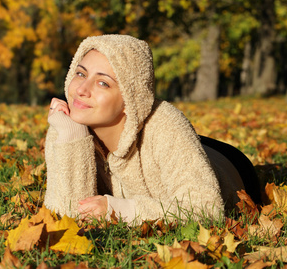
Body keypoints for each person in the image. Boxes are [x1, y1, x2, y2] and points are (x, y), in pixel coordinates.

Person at [44, 34, 259, 224]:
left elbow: (205, 210)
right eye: (81, 74)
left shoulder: (166, 125)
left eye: (103, 83)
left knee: (182, 150)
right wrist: (72, 138)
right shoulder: (67, 124)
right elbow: (66, 215)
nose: (81, 90)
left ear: (130, 99)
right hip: (174, 150)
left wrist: (120, 210)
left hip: (230, 164)